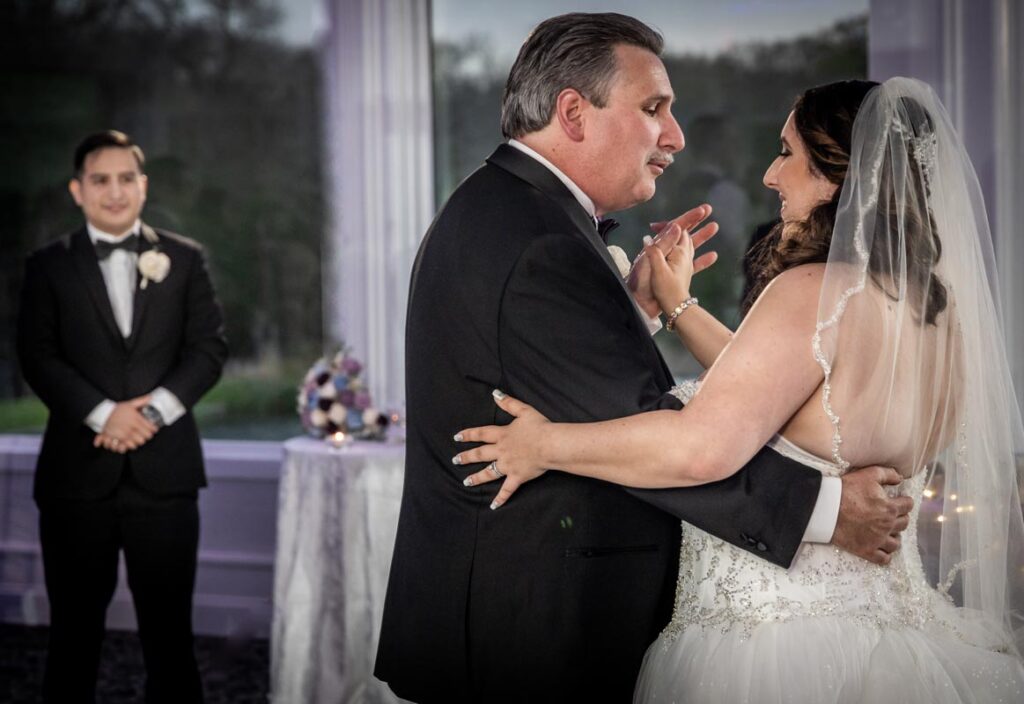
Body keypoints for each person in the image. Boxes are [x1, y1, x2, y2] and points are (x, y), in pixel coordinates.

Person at [376, 13, 910, 703]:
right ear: (573, 112)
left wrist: (637, 314)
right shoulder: (541, 240)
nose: (675, 137)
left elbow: (574, 388)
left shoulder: (513, 211)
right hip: (531, 631)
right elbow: (662, 439)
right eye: (654, 108)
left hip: (520, 611)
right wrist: (828, 511)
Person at [456, 78, 1024, 702]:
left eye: (787, 154)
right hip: (896, 646)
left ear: (838, 174)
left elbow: (704, 449)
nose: (770, 177)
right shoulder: (938, 316)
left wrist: (543, 446)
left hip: (774, 653)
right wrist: (677, 307)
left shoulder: (812, 291)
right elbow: (781, 392)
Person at [15, 130, 227, 703]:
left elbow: (208, 350)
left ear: (143, 186)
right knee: (73, 638)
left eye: (126, 178)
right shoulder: (46, 266)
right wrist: (105, 414)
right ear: (78, 191)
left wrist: (151, 414)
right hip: (75, 483)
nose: (115, 191)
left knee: (170, 639)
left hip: (167, 478)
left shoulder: (184, 259)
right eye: (101, 180)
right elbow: (37, 355)